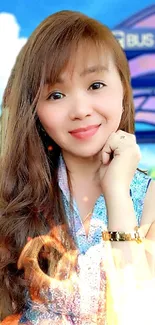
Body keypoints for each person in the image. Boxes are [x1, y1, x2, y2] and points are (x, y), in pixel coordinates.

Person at [0, 9, 155, 325]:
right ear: (36, 112)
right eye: (56, 94)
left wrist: (117, 194)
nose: (81, 110)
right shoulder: (13, 196)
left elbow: (138, 312)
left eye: (96, 85)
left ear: (124, 92)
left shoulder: (150, 198)